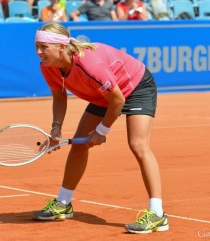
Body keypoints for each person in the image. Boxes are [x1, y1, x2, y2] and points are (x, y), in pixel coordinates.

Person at [32, 21, 169, 234]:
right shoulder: (47, 67)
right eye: (36, 47)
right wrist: (56, 129)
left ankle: (158, 214)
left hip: (135, 86)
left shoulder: (89, 66)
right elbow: (59, 96)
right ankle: (64, 203)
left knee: (138, 144)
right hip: (103, 94)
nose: (39, 52)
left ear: (60, 46)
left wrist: (101, 131)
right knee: (79, 146)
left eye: (43, 47)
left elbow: (117, 101)